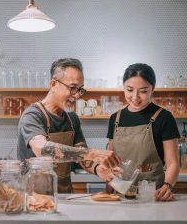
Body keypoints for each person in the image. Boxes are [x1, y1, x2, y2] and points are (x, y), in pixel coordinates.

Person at [17, 58, 121, 193]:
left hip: (65, 196)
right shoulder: (33, 115)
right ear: (54, 84)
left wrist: (97, 169)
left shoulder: (72, 118)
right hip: (34, 198)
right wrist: (93, 153)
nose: (77, 95)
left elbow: (82, 156)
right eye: (72, 88)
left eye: (80, 89)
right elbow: (41, 149)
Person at [98, 63, 180, 201]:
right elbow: (111, 162)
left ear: (152, 89)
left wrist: (167, 186)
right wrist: (109, 191)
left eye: (143, 91)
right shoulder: (115, 119)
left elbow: (173, 163)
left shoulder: (164, 117)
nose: (135, 97)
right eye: (129, 90)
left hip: (152, 194)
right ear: (123, 87)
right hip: (120, 195)